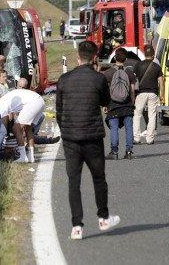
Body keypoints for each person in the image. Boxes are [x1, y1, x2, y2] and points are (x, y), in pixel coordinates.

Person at [56, 40, 120, 240]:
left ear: (77, 57)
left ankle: (76, 226)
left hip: (71, 138)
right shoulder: (98, 78)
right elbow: (105, 102)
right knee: (98, 177)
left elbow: (59, 111)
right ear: (94, 58)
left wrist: (65, 129)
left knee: (73, 182)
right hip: (92, 137)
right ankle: (103, 217)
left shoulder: (64, 79)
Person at [0, 78, 45, 163]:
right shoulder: (13, 95)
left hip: (33, 103)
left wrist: (2, 133)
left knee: (16, 128)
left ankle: (23, 157)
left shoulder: (2, 101)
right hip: (40, 100)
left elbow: (4, 120)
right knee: (28, 128)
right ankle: (31, 156)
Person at [103, 48, 136, 159]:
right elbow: (132, 91)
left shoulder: (108, 73)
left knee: (114, 128)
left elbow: (106, 91)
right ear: (126, 59)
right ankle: (129, 152)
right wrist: (132, 103)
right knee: (129, 128)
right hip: (127, 105)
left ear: (115, 58)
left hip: (113, 105)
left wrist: (105, 105)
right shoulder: (130, 73)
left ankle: (114, 152)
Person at [132, 45, 163, 145]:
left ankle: (136, 138)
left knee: (137, 115)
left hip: (141, 93)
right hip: (153, 93)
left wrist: (133, 94)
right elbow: (161, 82)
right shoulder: (157, 67)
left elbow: (134, 80)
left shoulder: (138, 65)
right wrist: (161, 94)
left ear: (144, 54)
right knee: (152, 115)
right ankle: (150, 139)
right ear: (153, 54)